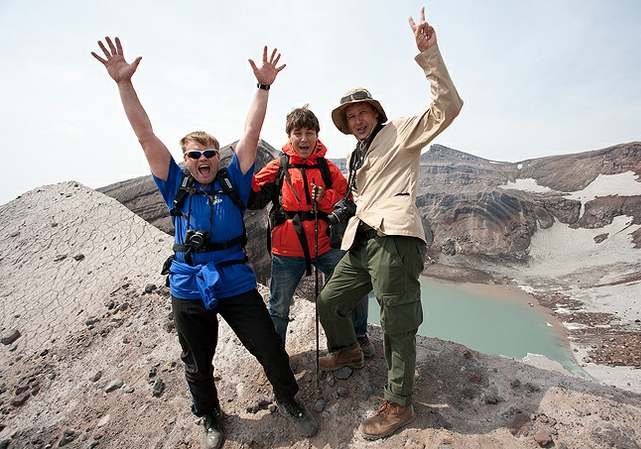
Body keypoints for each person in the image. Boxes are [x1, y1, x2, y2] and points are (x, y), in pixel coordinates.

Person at [91, 37, 317, 449]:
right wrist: (124, 83)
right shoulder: (174, 186)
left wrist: (263, 86)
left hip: (234, 281)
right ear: (185, 160)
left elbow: (251, 132)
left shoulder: (234, 180)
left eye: (210, 152)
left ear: (218, 155)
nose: (203, 159)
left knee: (268, 346)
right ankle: (210, 415)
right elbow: (146, 136)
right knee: (197, 361)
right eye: (194, 155)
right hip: (188, 283)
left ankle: (289, 400)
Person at [316, 7, 463, 440]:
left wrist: (429, 54)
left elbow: (448, 107)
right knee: (329, 301)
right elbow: (361, 195)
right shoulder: (354, 155)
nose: (357, 119)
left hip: (395, 239)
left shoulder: (400, 131)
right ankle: (347, 352)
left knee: (396, 323)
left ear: (375, 112)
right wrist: (343, 209)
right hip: (362, 240)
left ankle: (399, 403)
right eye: (350, 116)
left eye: (362, 112)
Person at [248, 106, 375, 358]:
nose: (304, 139)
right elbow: (254, 198)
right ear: (289, 136)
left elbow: (348, 200)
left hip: (325, 246)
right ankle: (276, 357)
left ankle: (359, 335)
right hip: (286, 252)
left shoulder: (328, 169)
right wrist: (242, 172)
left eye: (309, 132)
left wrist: (325, 198)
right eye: (298, 133)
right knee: (279, 307)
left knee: (358, 282)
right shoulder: (278, 167)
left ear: (317, 135)